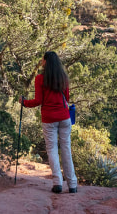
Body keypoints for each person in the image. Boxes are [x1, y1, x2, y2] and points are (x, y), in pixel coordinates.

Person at [20, 51, 77, 194]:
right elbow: (67, 98)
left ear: (45, 62)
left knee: (52, 149)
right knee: (66, 149)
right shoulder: (63, 77)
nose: (41, 61)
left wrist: (24, 103)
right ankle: (72, 185)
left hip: (48, 118)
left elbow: (38, 101)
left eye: (42, 59)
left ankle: (57, 183)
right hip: (64, 118)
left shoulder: (40, 78)